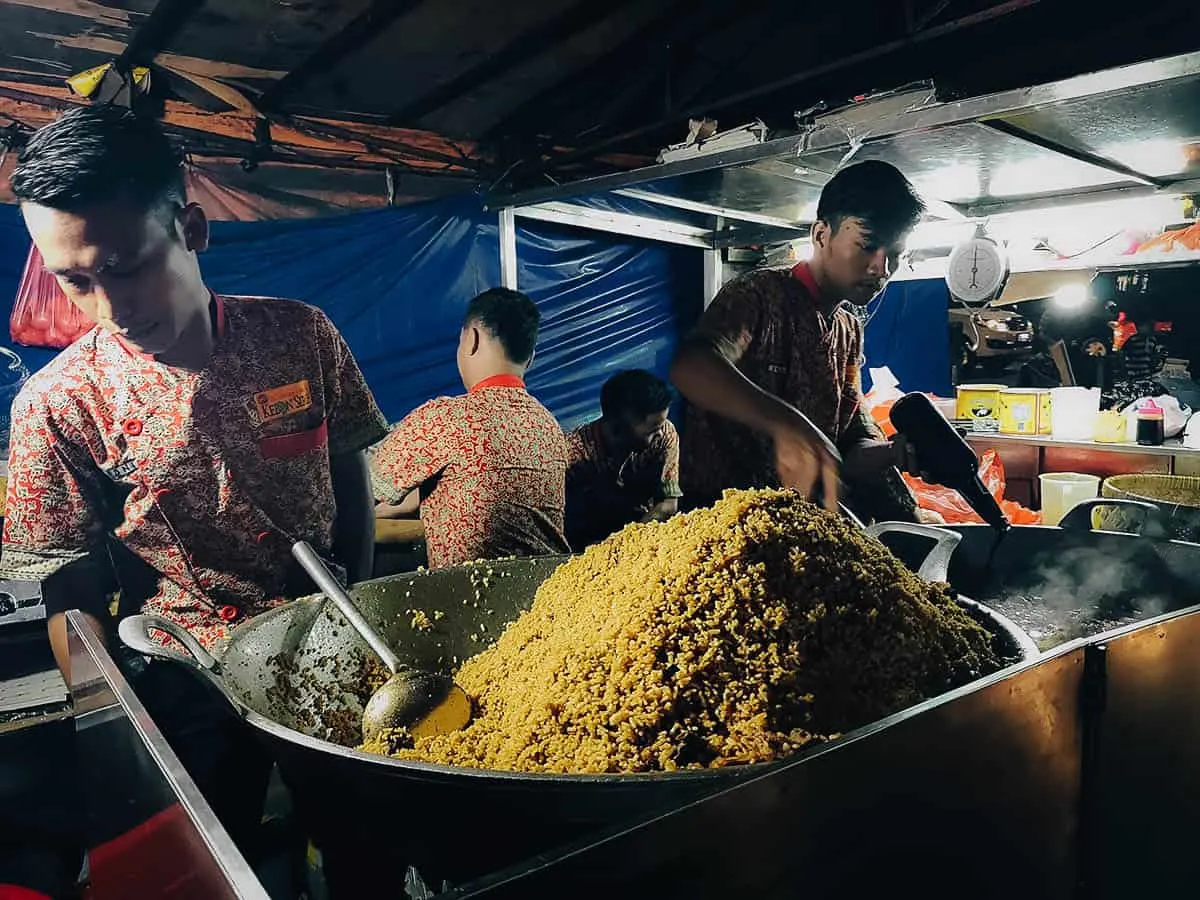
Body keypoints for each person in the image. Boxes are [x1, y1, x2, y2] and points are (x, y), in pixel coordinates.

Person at [0, 105, 388, 854]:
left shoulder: (297, 335)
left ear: (192, 229)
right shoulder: (62, 402)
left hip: (329, 643)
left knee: (361, 839)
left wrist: (357, 604)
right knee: (218, 859)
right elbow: (66, 594)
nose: (108, 307)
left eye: (125, 266)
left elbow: (348, 469)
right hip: (186, 673)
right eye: (74, 281)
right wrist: (125, 730)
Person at [670, 160, 927, 524]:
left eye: (896, 255)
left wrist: (894, 453)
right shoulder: (758, 294)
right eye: (867, 246)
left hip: (796, 533)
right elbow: (691, 366)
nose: (881, 269)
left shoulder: (848, 330)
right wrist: (787, 425)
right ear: (822, 235)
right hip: (722, 529)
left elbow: (848, 443)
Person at [370, 288, 570, 567]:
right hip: (549, 584)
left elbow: (363, 487)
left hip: (474, 596)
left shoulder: (447, 418)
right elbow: (465, 482)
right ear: (531, 357)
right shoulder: (548, 424)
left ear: (471, 340)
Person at [564, 369, 682, 550]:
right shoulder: (574, 453)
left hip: (643, 539)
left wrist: (631, 541)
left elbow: (668, 503)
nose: (660, 433)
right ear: (617, 428)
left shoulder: (665, 434)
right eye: (652, 430)